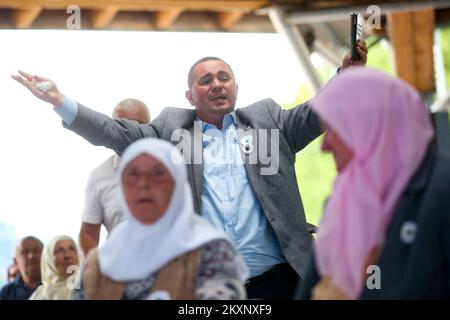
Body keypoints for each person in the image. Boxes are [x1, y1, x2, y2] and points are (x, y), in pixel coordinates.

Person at [12, 41, 368, 299]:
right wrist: (61, 103)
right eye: (205, 80)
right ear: (190, 96)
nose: (216, 84)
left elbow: (317, 111)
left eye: (223, 77)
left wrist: (345, 76)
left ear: (235, 87)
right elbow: (115, 132)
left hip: (280, 281)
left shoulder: (269, 120)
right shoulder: (170, 129)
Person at [296, 67, 450, 299]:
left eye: (333, 129)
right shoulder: (342, 198)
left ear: (371, 124)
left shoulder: (442, 189)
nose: (324, 146)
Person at [73, 138, 248, 300]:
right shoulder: (100, 261)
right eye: (133, 174)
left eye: (157, 173)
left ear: (177, 184)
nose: (143, 184)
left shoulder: (210, 250)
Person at [79, 98, 151, 257]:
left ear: (150, 128)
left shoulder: (173, 168)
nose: (129, 131)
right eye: (120, 125)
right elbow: (88, 234)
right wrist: (96, 270)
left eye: (138, 125)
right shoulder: (99, 176)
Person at [29, 235, 81, 300]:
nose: (67, 255)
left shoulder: (88, 288)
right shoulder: (40, 295)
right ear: (49, 259)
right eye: (60, 250)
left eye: (72, 249)